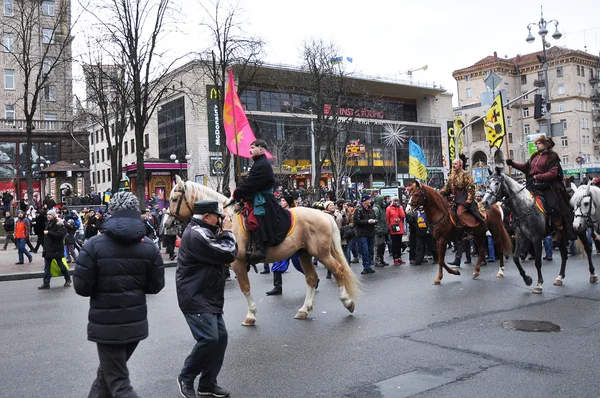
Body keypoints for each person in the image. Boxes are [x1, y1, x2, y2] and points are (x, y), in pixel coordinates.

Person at [74, 192, 165, 398]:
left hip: (106, 325)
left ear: (111, 212)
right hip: (135, 324)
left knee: (117, 382)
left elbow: (82, 287)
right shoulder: (149, 246)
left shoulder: (93, 245)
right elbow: (156, 286)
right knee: (105, 377)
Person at [176, 200, 237, 398]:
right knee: (209, 338)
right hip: (195, 296)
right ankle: (186, 377)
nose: (221, 219)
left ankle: (207, 383)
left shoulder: (203, 230)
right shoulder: (197, 233)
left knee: (220, 338)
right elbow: (228, 253)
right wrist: (228, 232)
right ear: (207, 217)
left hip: (207, 296)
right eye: (218, 216)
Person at [506, 135, 576, 242]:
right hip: (533, 186)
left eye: (539, 143)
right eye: (536, 144)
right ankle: (520, 230)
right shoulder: (534, 156)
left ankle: (558, 230)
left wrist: (538, 176)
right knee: (519, 203)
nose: (537, 145)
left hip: (548, 187)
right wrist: (512, 164)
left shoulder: (553, 157)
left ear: (546, 144)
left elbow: (553, 173)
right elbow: (525, 168)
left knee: (553, 206)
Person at [232, 139, 289, 264]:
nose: (250, 150)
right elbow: (251, 182)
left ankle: (261, 247)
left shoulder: (262, 164)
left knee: (254, 218)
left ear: (261, 149)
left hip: (264, 199)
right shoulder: (258, 163)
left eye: (252, 147)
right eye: (250, 147)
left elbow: (252, 182)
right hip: (257, 197)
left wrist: (238, 192)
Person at [441, 158, 484, 233]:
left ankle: (469, 229)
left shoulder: (465, 174)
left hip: (463, 198)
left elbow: (471, 186)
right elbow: (446, 188)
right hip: (454, 199)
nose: (453, 165)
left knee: (460, 213)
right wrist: (441, 192)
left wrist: (469, 198)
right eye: (453, 164)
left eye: (455, 164)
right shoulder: (451, 176)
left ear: (460, 165)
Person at [38, 209, 70, 288]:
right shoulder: (48, 224)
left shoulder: (58, 224)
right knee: (47, 268)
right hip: (48, 249)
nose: (48, 216)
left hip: (56, 249)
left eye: (50, 215)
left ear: (54, 216)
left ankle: (68, 279)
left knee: (61, 266)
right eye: (47, 214)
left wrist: (49, 232)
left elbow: (60, 235)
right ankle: (46, 283)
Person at [354, 194, 377, 274]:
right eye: (369, 200)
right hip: (362, 233)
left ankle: (369, 265)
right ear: (365, 201)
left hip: (371, 232)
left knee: (371, 250)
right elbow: (357, 221)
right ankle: (366, 266)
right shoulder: (358, 210)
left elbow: (375, 217)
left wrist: (375, 221)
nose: (370, 201)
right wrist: (367, 221)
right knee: (365, 250)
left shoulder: (371, 210)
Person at [385, 196, 406, 265]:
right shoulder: (389, 208)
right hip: (393, 227)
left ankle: (399, 257)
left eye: (397, 201)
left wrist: (399, 208)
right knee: (394, 243)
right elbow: (387, 218)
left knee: (399, 243)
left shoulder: (400, 207)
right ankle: (395, 258)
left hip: (399, 227)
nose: (396, 202)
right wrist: (388, 226)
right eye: (395, 201)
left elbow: (402, 215)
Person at [372, 195, 389, 267]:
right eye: (382, 200)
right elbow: (376, 220)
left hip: (383, 230)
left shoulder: (382, 208)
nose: (383, 202)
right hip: (378, 231)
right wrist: (378, 229)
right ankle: (377, 260)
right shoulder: (376, 209)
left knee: (382, 246)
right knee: (377, 246)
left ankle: (381, 259)